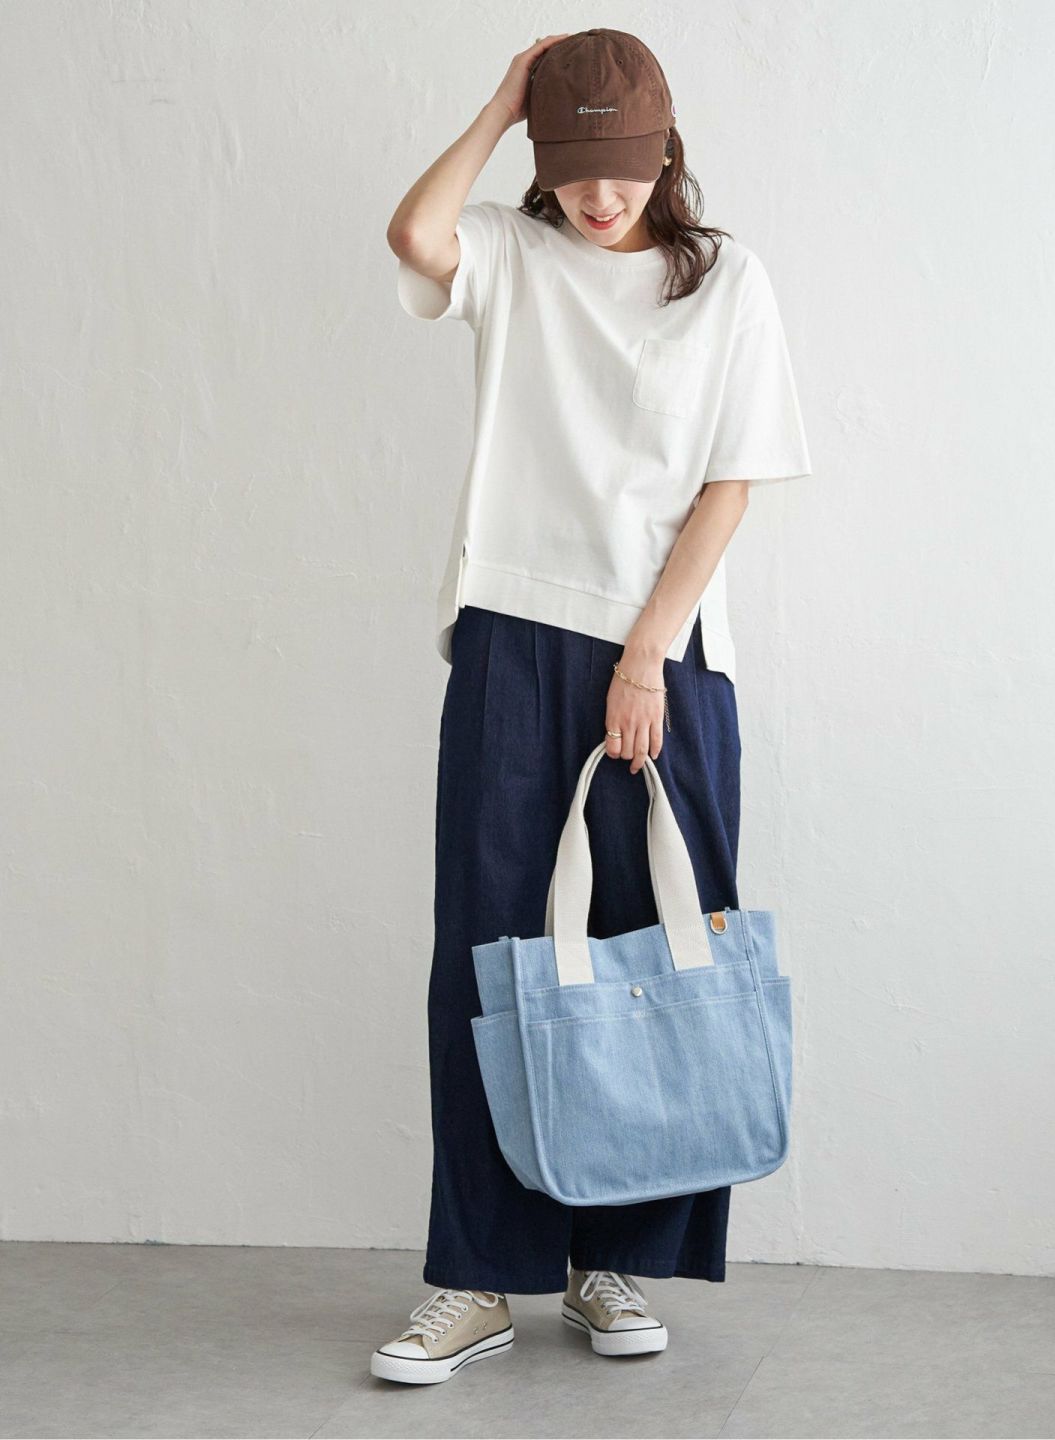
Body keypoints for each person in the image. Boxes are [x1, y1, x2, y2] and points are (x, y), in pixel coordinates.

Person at [374, 27, 813, 1386]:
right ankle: (475, 1278)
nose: (598, 197)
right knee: (491, 958)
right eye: (572, 169)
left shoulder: (727, 281)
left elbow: (733, 479)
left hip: (665, 653)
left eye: (620, 169)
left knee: (654, 953)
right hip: (514, 630)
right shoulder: (513, 255)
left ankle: (611, 1258)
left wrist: (646, 654)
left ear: (664, 154)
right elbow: (415, 234)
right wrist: (503, 102)